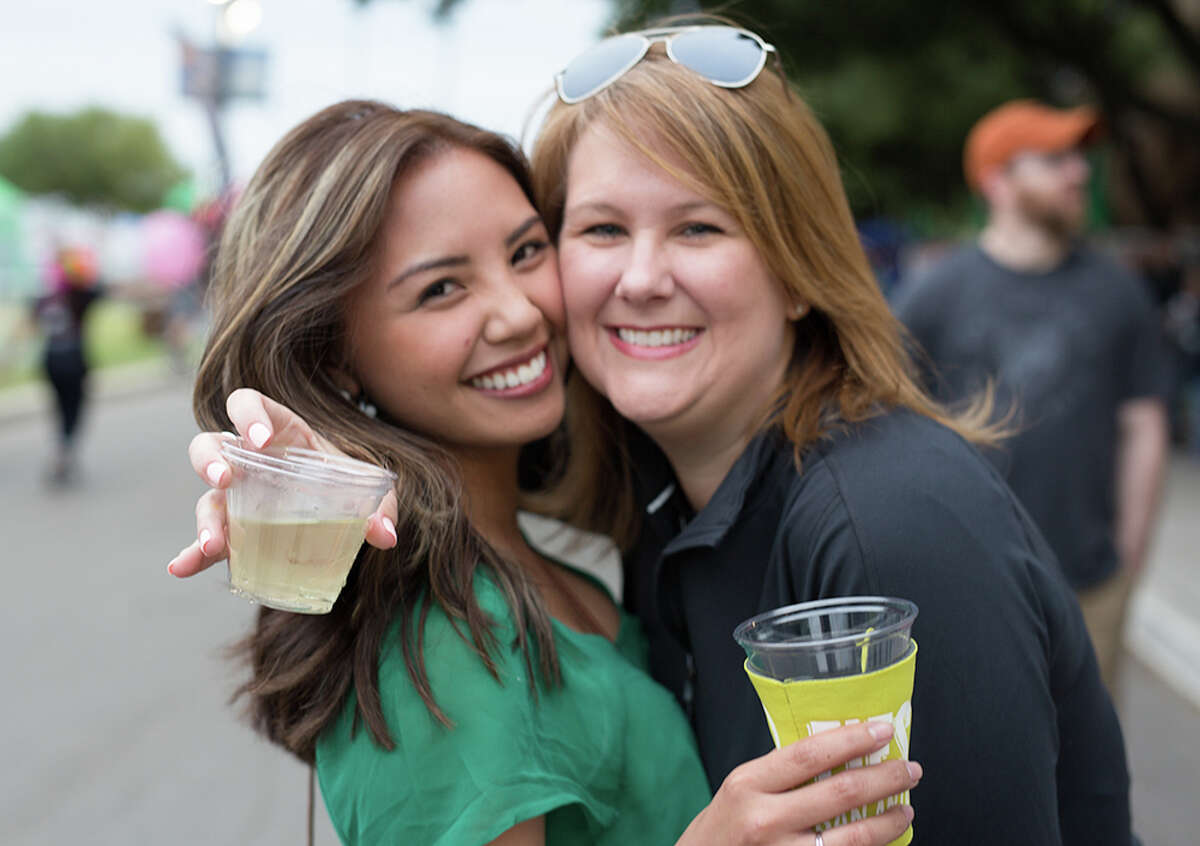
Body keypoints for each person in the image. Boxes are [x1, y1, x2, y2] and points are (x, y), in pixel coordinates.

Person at [169, 100, 920, 846]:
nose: (520, 313)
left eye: (527, 252)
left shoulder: (512, 559)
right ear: (334, 354)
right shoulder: (445, 638)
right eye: (442, 289)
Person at [519, 23, 1132, 845]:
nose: (640, 279)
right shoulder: (652, 468)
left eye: (699, 228)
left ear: (797, 271)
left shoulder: (883, 531)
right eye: (601, 230)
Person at [891, 99, 1172, 693]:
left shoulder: (1118, 291)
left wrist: (1128, 555)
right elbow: (891, 432)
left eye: (1078, 158)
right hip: (971, 585)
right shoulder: (933, 295)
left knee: (1091, 769)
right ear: (996, 181)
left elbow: (1145, 423)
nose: (1080, 172)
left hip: (1091, 583)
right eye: (1054, 160)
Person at [31, 245, 104, 485]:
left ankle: (62, 449)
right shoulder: (79, 296)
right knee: (74, 410)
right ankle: (63, 450)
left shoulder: (44, 298)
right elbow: (99, 290)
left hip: (51, 360)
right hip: (73, 360)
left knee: (61, 409)